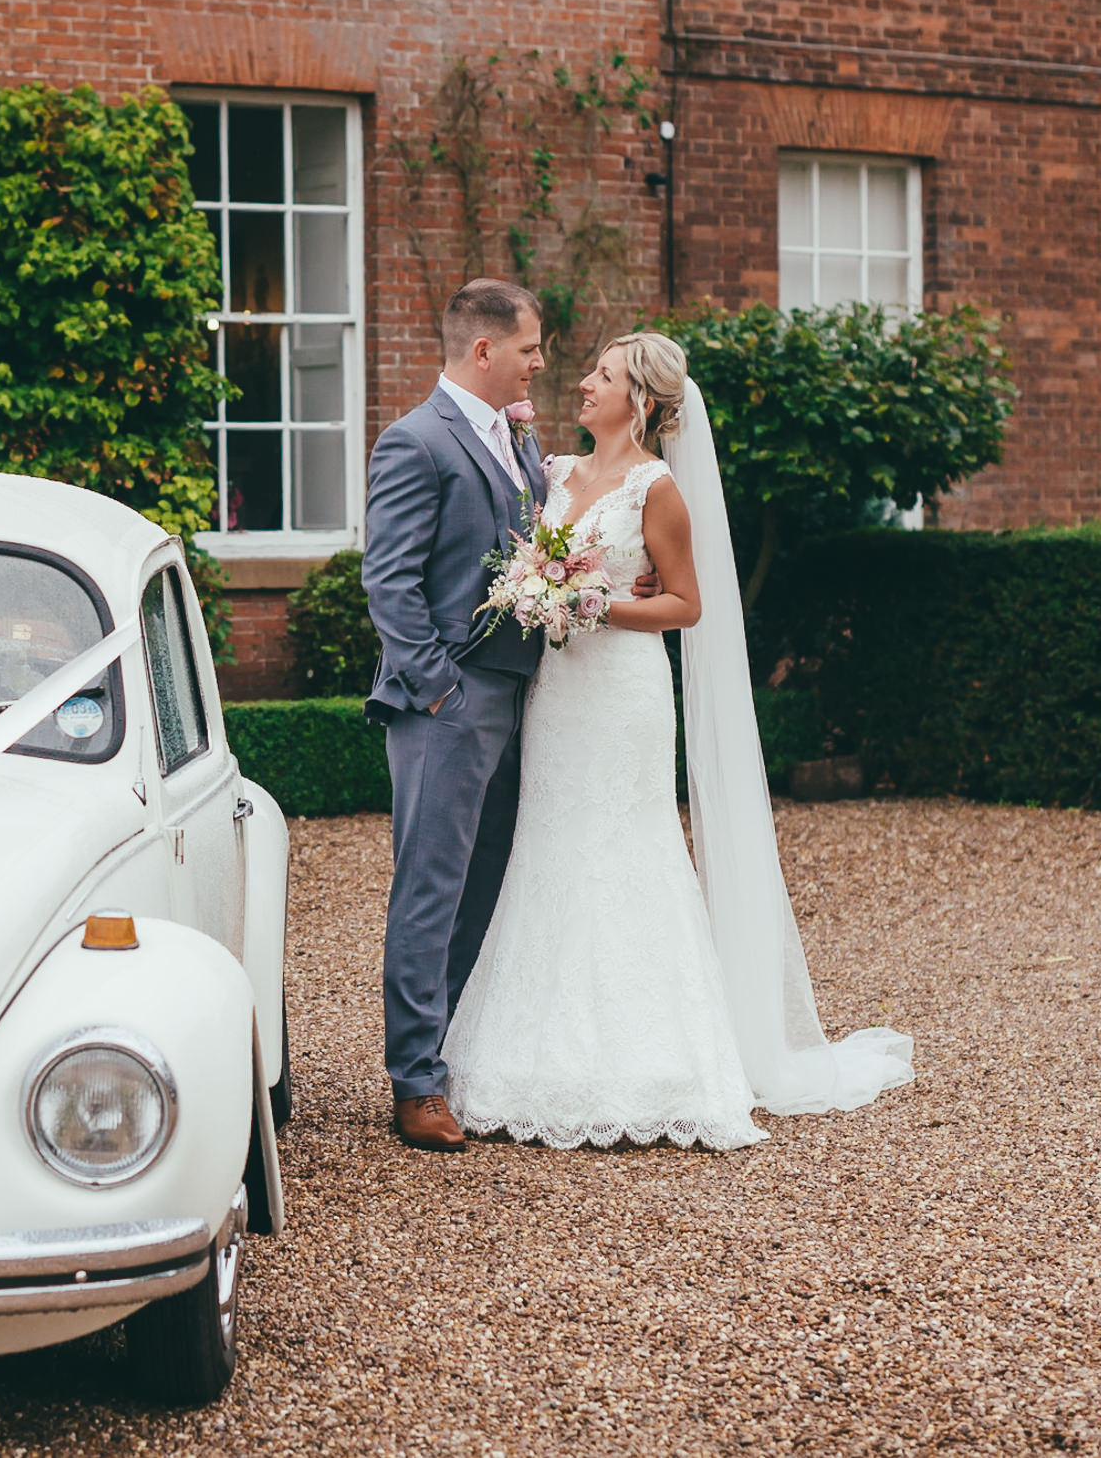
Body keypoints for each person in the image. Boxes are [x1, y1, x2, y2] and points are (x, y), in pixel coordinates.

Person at [442, 332, 914, 1149]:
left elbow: (687, 604)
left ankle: (658, 1063)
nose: (584, 383)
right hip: (560, 695)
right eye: (589, 370)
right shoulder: (550, 473)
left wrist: (596, 604)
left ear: (645, 402)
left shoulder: (657, 489)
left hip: (624, 691)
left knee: (630, 848)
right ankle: (530, 1060)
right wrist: (537, 589)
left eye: (603, 375)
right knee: (549, 841)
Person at [363, 278, 571, 1151]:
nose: (540, 362)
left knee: (488, 880)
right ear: (482, 350)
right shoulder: (416, 441)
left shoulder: (519, 443)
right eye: (529, 348)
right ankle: (414, 1081)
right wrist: (440, 689)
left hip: (523, 698)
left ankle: (451, 1051)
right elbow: (390, 580)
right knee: (431, 887)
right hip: (448, 702)